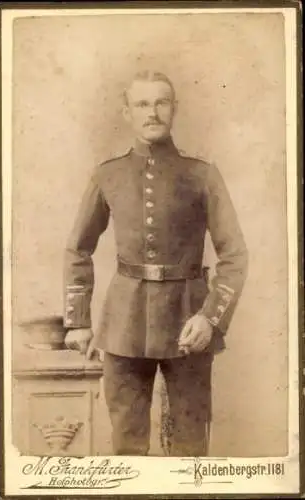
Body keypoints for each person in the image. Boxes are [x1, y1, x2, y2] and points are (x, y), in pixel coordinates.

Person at [63, 70, 248, 456]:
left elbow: (234, 254)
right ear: (127, 111)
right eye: (143, 104)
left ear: (174, 109)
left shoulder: (202, 175)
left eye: (161, 102)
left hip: (188, 320)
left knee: (190, 444)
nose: (153, 112)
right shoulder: (108, 174)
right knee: (127, 443)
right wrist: (78, 321)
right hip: (124, 323)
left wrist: (210, 317)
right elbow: (78, 249)